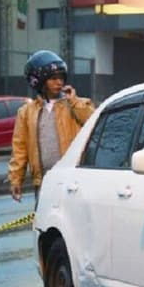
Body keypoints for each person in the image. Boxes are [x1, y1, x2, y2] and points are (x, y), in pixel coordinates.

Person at [8, 50, 94, 202]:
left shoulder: (76, 104)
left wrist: (74, 102)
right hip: (44, 182)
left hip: (73, 181)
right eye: (53, 79)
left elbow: (92, 121)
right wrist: (16, 179)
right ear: (39, 82)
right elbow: (19, 149)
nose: (59, 82)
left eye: (61, 78)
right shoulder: (26, 112)